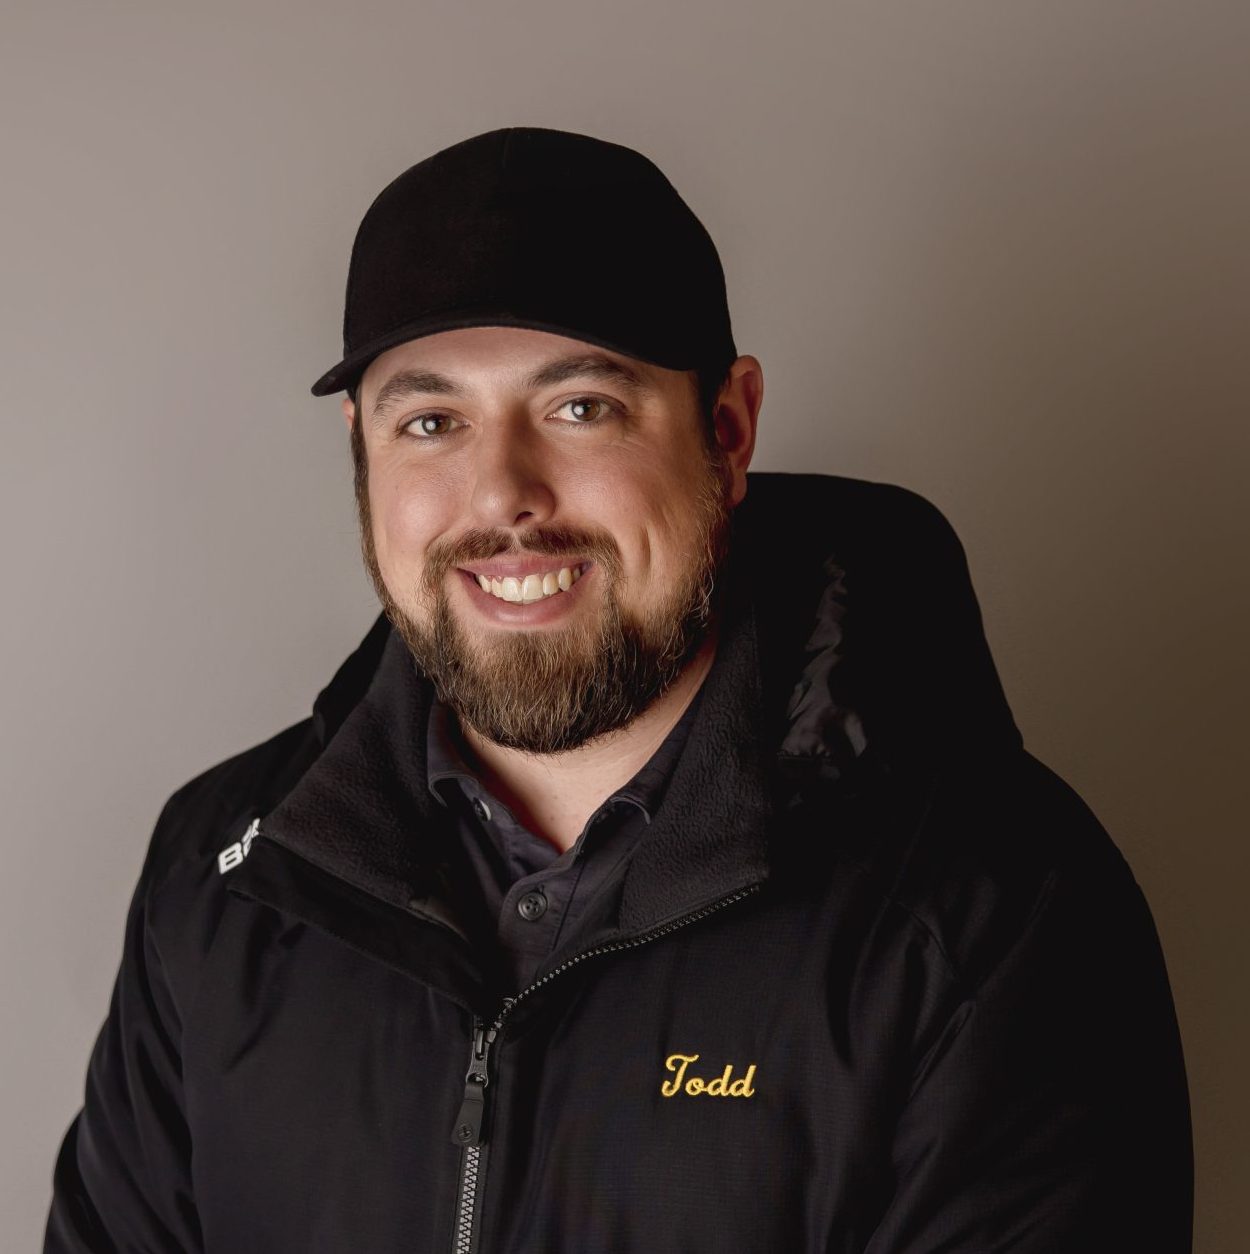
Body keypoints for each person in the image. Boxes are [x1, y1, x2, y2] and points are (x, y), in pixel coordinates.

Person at [44, 126, 1193, 1253]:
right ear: (360, 447)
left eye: (580, 408)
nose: (501, 494)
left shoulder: (988, 909)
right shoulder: (222, 879)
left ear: (727, 430)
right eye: (431, 422)